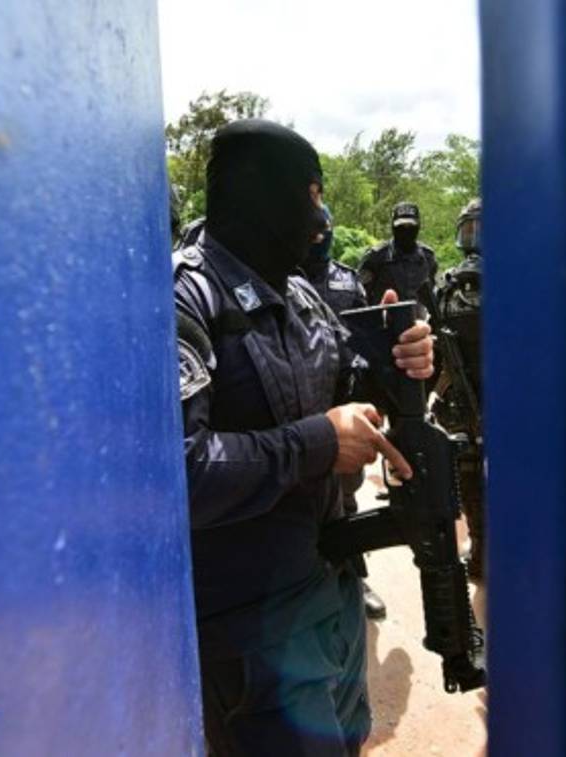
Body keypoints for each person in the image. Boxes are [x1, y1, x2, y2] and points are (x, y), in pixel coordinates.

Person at [173, 119, 433, 756]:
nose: (321, 215)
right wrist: (318, 442)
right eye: (311, 194)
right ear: (261, 195)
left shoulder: (300, 295)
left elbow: (355, 388)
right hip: (251, 631)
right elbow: (179, 472)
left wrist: (408, 362)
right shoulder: (184, 300)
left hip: (330, 600)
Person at [301, 204, 388, 620]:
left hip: (343, 397)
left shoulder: (346, 280)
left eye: (325, 230)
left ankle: (353, 573)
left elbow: (366, 342)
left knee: (346, 493)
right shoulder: (277, 275)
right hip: (298, 401)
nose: (319, 238)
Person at [432, 198, 486, 578]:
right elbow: (437, 350)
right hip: (464, 404)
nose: (473, 239)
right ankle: (482, 548)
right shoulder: (446, 288)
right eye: (469, 229)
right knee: (469, 479)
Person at [357, 201, 438, 306]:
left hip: (421, 320)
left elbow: (434, 296)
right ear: (393, 226)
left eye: (410, 226)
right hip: (384, 319)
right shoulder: (376, 257)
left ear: (418, 226)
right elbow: (360, 297)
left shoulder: (428, 258)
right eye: (401, 226)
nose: (406, 231)